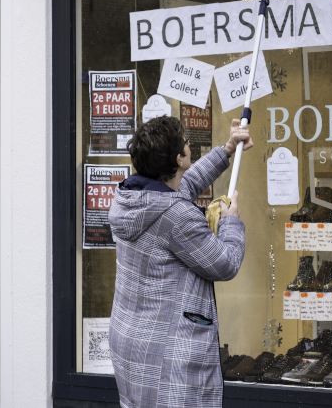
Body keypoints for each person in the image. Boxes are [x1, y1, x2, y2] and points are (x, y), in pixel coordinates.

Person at [108, 115, 253, 408]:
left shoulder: (131, 198)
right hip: (168, 356)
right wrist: (231, 222)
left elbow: (185, 186)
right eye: (187, 142)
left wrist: (226, 149)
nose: (190, 145)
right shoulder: (176, 216)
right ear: (178, 158)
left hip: (132, 345)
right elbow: (225, 263)